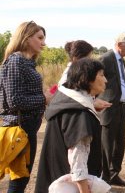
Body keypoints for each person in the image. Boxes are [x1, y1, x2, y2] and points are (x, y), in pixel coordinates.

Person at [34, 58, 109, 193]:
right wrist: (84, 190)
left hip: (57, 178)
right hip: (69, 186)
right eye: (102, 75)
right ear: (87, 78)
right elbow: (78, 162)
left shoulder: (64, 101)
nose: (105, 80)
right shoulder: (78, 114)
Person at [0, 21, 53, 193]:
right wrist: (43, 98)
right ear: (26, 37)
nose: (43, 43)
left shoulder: (26, 63)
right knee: (19, 179)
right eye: (39, 38)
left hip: (27, 128)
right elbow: (15, 101)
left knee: (21, 178)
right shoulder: (16, 61)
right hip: (20, 128)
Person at [98, 32, 125, 187]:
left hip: (122, 108)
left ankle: (114, 174)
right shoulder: (106, 59)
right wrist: (98, 99)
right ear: (120, 44)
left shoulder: (121, 60)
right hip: (109, 109)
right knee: (107, 146)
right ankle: (104, 180)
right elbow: (94, 79)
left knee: (119, 145)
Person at [57, 40, 111, 111]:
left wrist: (93, 102)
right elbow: (70, 103)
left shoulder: (78, 74)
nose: (90, 62)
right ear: (75, 59)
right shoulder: (68, 77)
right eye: (88, 58)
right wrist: (92, 104)